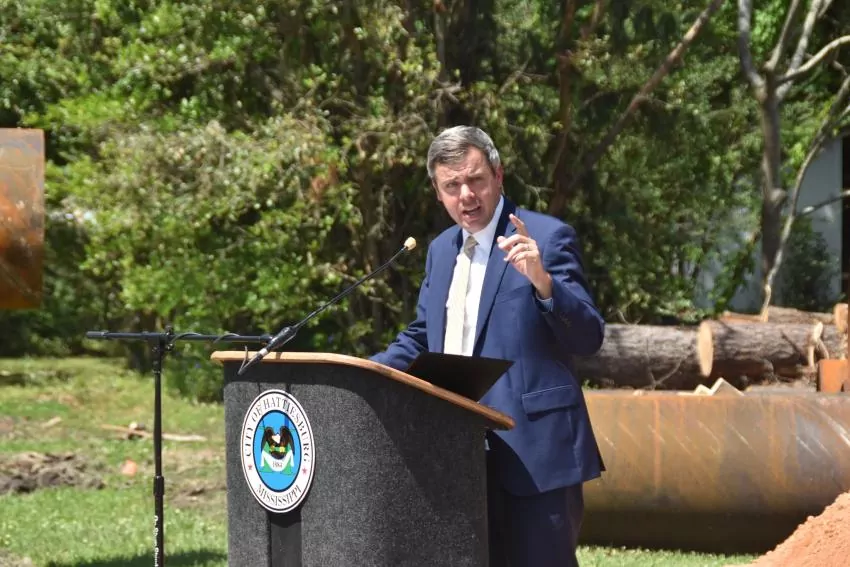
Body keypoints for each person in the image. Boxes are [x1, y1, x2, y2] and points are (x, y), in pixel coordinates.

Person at [370, 125, 605, 566]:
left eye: (475, 180)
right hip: (457, 455)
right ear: (437, 192)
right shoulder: (441, 250)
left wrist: (544, 282)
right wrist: (363, 373)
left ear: (498, 175)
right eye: (452, 186)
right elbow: (423, 336)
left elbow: (588, 336)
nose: (466, 196)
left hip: (535, 454)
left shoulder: (546, 237)